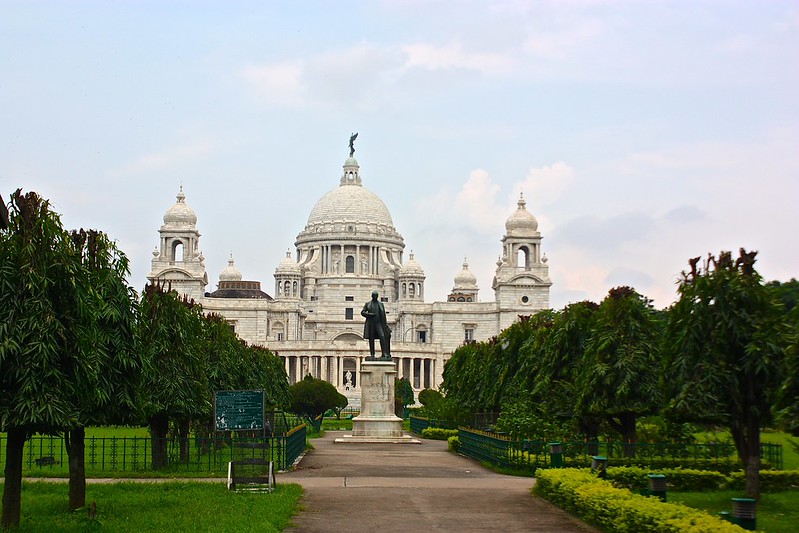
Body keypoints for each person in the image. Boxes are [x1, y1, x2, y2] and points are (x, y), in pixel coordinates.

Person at [361, 290, 391, 359]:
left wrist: (386, 325)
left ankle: (384, 353)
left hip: (379, 323)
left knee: (382, 336)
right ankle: (372, 354)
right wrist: (369, 314)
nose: (375, 297)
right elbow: (362, 312)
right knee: (371, 339)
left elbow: (383, 316)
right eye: (374, 296)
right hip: (371, 324)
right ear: (372, 296)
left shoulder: (381, 304)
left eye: (376, 296)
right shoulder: (368, 304)